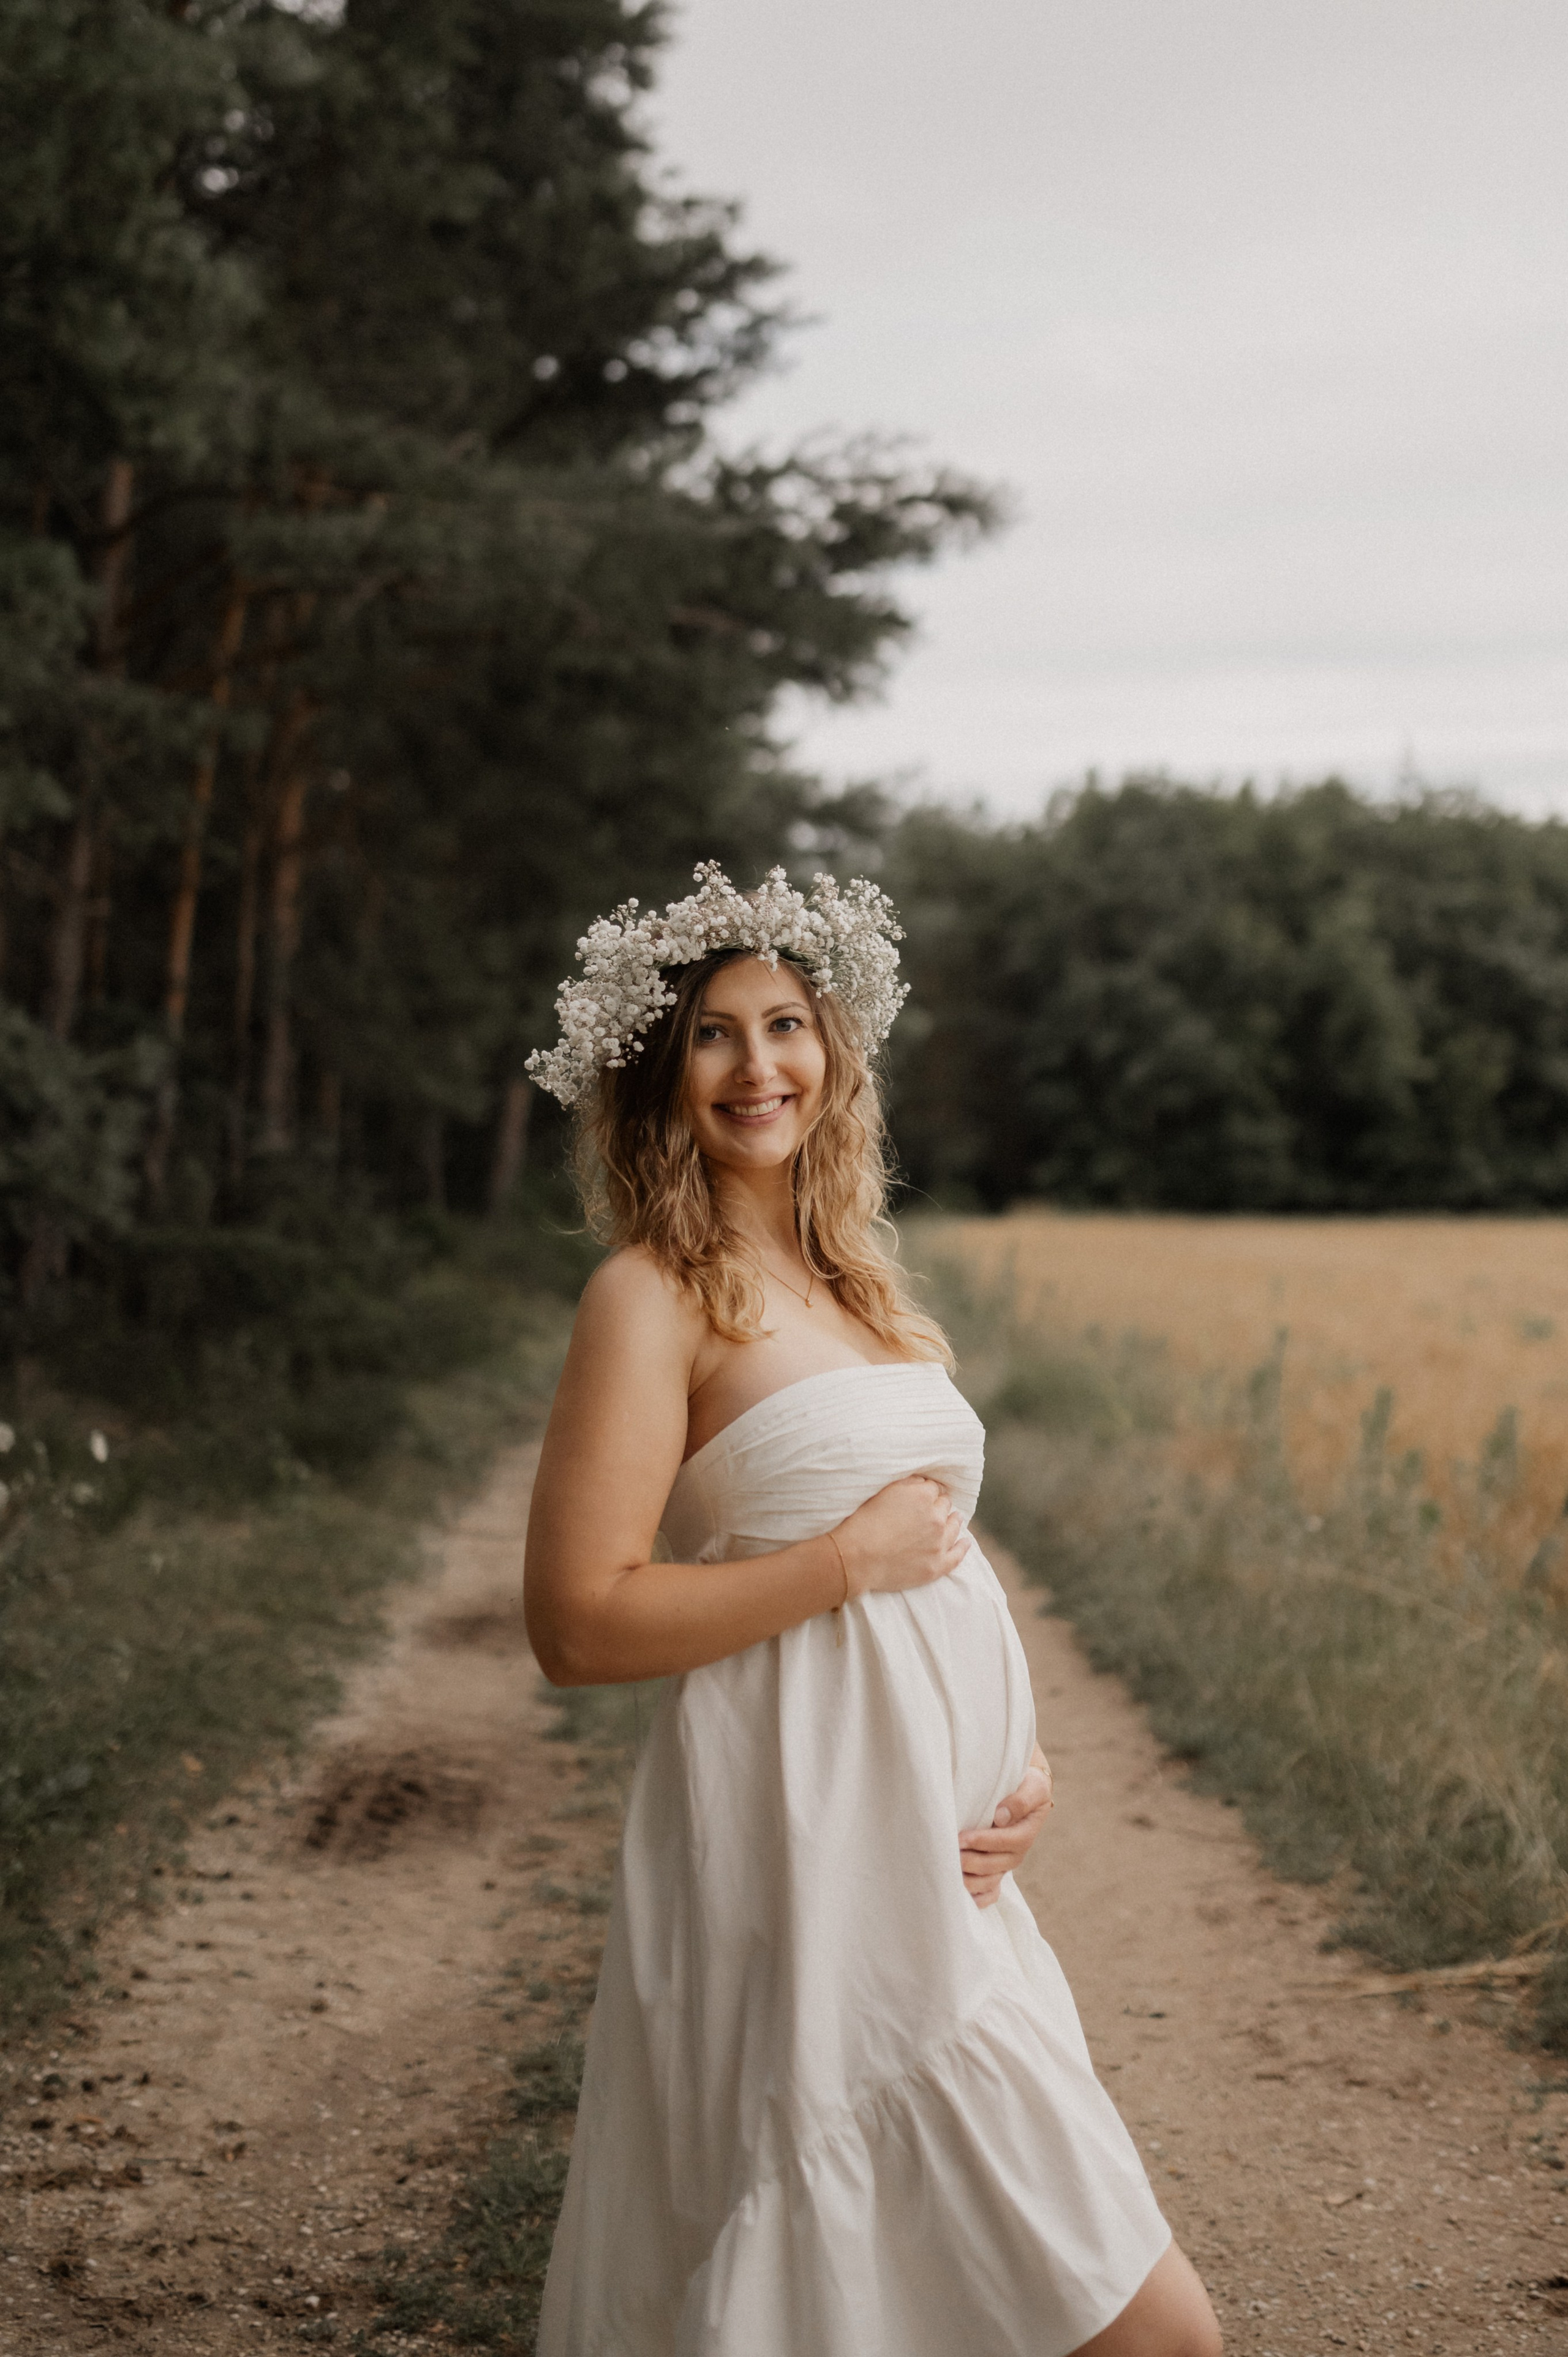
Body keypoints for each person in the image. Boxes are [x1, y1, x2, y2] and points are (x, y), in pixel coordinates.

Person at [524, 865, 1221, 2356]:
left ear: (832, 1054)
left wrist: (1013, 1771)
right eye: (713, 1033)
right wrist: (837, 1565)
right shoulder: (648, 1297)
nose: (757, 1064)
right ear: (661, 1070)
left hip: (945, 1858)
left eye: (786, 1023)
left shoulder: (857, 1282)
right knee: (1148, 2332)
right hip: (799, 1846)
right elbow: (576, 1624)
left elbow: (939, 1565)